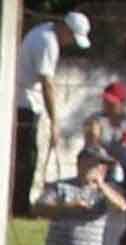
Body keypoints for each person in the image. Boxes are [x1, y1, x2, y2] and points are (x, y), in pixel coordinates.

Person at [13, 10, 91, 217]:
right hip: (24, 103)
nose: (71, 43)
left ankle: (19, 204)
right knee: (26, 158)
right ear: (66, 29)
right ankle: (19, 208)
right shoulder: (48, 42)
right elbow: (47, 82)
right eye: (72, 37)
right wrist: (54, 121)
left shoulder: (44, 31)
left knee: (26, 156)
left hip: (28, 101)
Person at [32, 145, 126, 245]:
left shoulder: (108, 191)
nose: (101, 168)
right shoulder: (60, 186)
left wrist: (101, 185)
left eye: (104, 165)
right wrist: (67, 208)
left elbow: (122, 206)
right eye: (96, 163)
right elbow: (38, 208)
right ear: (80, 163)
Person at [87, 81, 126, 175]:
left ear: (122, 103)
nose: (106, 104)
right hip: (99, 164)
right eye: (105, 101)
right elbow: (92, 146)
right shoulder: (96, 119)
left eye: (111, 102)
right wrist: (110, 162)